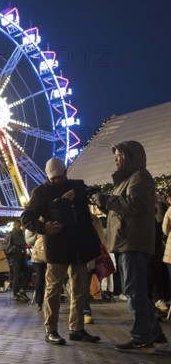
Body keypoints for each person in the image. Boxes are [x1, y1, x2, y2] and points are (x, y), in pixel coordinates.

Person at [92, 141, 168, 353]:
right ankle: (153, 334)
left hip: (133, 242)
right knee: (133, 290)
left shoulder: (140, 177)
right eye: (115, 155)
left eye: (119, 155)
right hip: (127, 241)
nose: (115, 159)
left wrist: (107, 200)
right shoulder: (128, 180)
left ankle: (143, 336)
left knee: (134, 291)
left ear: (130, 156)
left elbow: (137, 206)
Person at [21, 157, 101, 346]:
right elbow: (25, 217)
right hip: (57, 247)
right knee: (53, 289)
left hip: (79, 246)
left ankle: (77, 328)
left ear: (66, 173)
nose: (58, 180)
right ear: (48, 177)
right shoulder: (40, 193)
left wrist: (77, 192)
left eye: (61, 176)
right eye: (54, 178)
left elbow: (94, 190)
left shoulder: (77, 185)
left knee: (80, 289)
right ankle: (51, 329)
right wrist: (44, 227)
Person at [8, 220, 31, 302]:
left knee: (27, 272)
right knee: (17, 275)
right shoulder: (15, 233)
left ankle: (21, 289)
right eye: (23, 225)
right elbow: (23, 243)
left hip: (19, 257)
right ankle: (16, 294)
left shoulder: (18, 232)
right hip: (16, 257)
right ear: (19, 225)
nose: (24, 227)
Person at [25, 228, 46, 311]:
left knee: (53, 280)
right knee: (40, 280)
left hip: (51, 256)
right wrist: (37, 236)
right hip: (38, 257)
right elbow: (28, 241)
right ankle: (39, 302)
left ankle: (52, 303)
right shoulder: (32, 226)